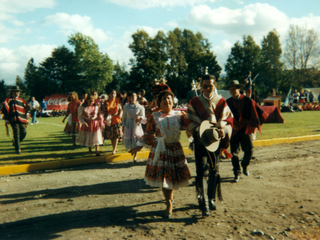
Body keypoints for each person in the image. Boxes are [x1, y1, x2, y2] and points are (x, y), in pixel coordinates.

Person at [129, 90, 191, 218]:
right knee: (164, 178)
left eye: (169, 99)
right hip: (161, 150)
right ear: (159, 102)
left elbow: (190, 129)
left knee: (172, 177)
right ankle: (169, 203)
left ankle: (170, 199)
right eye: (164, 99)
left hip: (175, 150)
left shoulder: (180, 115)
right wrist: (139, 146)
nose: (167, 101)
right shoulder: (154, 116)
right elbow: (148, 133)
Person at [185, 74, 233, 217]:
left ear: (215, 86)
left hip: (215, 142)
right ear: (201, 87)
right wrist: (197, 132)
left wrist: (223, 130)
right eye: (204, 86)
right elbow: (189, 121)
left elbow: (229, 119)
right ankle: (204, 201)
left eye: (210, 85)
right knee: (201, 171)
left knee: (214, 171)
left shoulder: (221, 101)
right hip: (200, 141)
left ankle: (211, 198)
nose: (207, 88)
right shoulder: (194, 101)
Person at [225, 80, 268, 183]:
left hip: (245, 129)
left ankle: (245, 165)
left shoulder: (248, 100)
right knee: (234, 153)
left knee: (249, 150)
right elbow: (224, 116)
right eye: (230, 89)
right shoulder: (227, 102)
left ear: (239, 89)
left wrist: (253, 124)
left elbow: (259, 113)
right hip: (234, 130)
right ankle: (237, 173)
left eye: (234, 89)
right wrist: (230, 123)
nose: (232, 91)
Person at [1, 86, 30, 154]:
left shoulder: (22, 100)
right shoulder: (8, 100)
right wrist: (6, 120)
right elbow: (5, 110)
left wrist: (27, 117)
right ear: (12, 92)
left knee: (23, 132)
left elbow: (26, 108)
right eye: (15, 91)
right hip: (13, 119)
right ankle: (18, 149)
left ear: (19, 93)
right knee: (16, 133)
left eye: (18, 91)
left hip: (22, 118)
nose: (17, 93)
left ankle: (15, 143)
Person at [122, 91, 146, 162]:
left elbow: (143, 117)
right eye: (132, 96)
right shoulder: (126, 106)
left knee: (136, 140)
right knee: (130, 139)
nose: (133, 98)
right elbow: (124, 116)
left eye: (135, 96)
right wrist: (123, 125)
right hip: (128, 124)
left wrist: (139, 117)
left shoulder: (140, 107)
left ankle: (135, 156)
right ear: (129, 98)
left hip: (136, 125)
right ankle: (132, 150)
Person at [103, 89, 123, 154]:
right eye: (111, 93)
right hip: (109, 120)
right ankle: (114, 147)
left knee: (116, 135)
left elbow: (121, 110)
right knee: (111, 135)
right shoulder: (106, 102)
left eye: (114, 93)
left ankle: (114, 149)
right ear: (109, 94)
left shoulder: (118, 101)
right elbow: (104, 111)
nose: (113, 95)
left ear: (116, 94)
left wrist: (120, 114)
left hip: (116, 119)